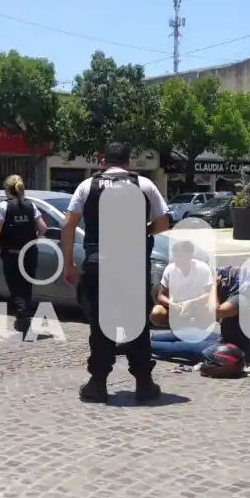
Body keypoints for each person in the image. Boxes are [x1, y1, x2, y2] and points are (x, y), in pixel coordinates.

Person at [62, 141, 170, 404]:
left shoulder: (87, 186)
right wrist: (141, 230)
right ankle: (144, 383)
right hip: (132, 265)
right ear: (128, 161)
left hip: (100, 263)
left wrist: (68, 264)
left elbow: (68, 225)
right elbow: (162, 223)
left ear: (102, 161)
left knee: (101, 325)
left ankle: (97, 384)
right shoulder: (144, 184)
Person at [149, 265, 250, 363]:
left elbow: (216, 311)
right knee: (188, 333)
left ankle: (144, 345)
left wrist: (215, 287)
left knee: (180, 346)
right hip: (226, 340)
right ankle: (149, 338)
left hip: (232, 350)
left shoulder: (240, 299)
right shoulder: (243, 296)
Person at [0, 174, 47, 336]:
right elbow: (43, 228)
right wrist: (32, 239)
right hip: (30, 253)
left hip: (12, 254)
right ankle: (25, 316)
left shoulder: (2, 207)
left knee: (15, 287)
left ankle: (23, 319)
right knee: (26, 287)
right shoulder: (31, 205)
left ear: (6, 190)